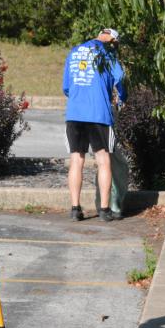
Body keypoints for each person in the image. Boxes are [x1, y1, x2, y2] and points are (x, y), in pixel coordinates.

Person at [62, 27, 127, 222]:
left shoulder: (74, 51)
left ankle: (75, 209)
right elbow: (120, 76)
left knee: (76, 160)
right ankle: (105, 210)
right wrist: (122, 96)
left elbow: (66, 86)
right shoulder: (107, 52)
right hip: (98, 113)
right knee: (103, 159)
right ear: (113, 41)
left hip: (74, 113)